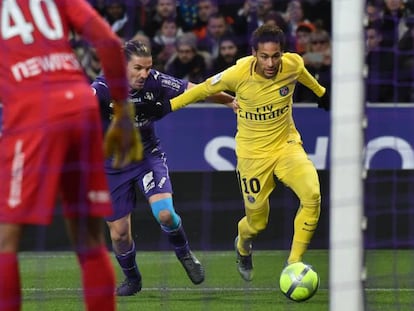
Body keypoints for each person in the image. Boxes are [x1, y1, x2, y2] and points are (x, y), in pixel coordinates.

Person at [152, 24, 329, 282]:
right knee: (257, 223)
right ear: (254, 53)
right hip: (252, 157)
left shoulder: (292, 63)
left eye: (276, 55)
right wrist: (167, 107)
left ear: (282, 53)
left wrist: (321, 93)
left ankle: (294, 264)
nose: (271, 62)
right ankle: (242, 245)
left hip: (287, 146)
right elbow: (202, 89)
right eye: (264, 56)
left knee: (312, 195)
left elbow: (302, 73)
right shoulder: (237, 73)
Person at [0, 0, 142, 310]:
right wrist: (123, 111)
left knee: (5, 240)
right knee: (88, 238)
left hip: (32, 112)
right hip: (81, 108)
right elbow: (107, 41)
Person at [91, 40, 234, 296]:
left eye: (148, 68)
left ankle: (185, 254)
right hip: (111, 165)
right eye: (138, 68)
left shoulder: (156, 81)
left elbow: (196, 90)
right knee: (120, 234)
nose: (144, 74)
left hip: (147, 156)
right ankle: (132, 279)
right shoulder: (103, 88)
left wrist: (229, 102)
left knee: (165, 214)